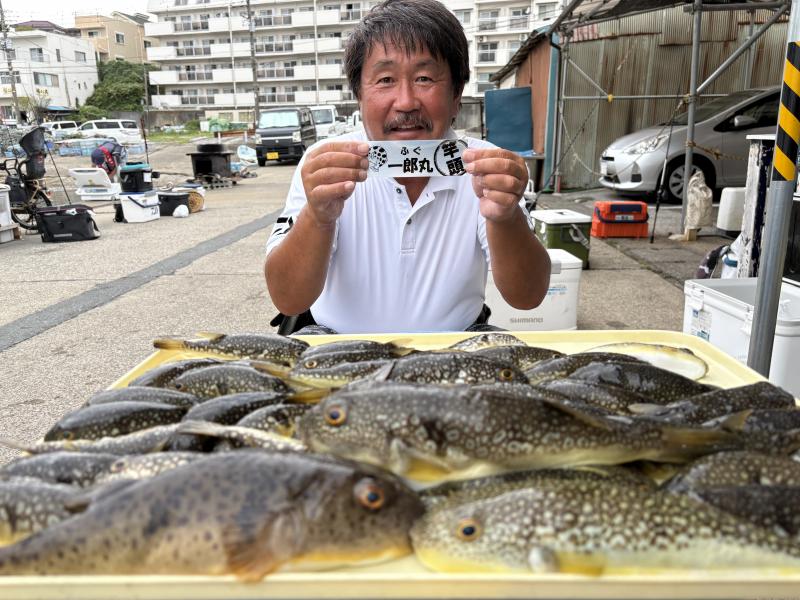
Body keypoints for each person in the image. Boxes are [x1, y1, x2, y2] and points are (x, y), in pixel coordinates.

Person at [265, 0, 550, 334]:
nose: (405, 102)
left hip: (451, 353)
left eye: (425, 78)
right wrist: (317, 216)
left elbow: (528, 297)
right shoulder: (324, 164)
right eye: (385, 79)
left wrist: (506, 217)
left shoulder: (486, 168)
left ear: (457, 95)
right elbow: (287, 300)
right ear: (359, 95)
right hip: (339, 349)